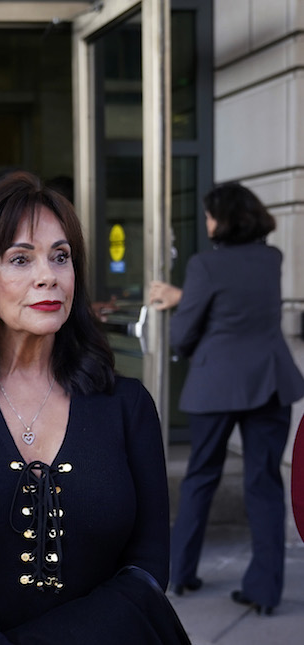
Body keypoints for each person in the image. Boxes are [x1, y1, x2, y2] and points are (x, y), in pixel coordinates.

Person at [0, 171, 178, 643]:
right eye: (20, 259)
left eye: (60, 257)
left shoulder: (127, 405)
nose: (48, 275)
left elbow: (148, 567)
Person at [149, 182, 304, 615]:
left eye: (209, 215)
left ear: (223, 218)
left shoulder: (204, 266)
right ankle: (265, 590)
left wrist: (181, 304)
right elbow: (242, 306)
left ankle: (180, 572)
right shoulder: (272, 258)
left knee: (200, 477)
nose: (207, 222)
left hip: (217, 383)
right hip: (271, 381)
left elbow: (185, 331)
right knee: (265, 483)